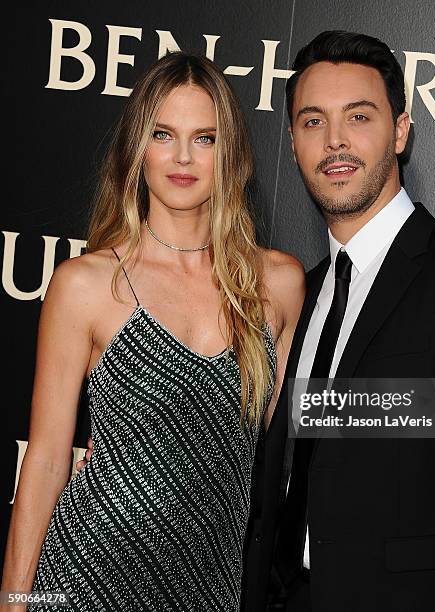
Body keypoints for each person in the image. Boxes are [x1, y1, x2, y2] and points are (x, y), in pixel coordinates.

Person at [241, 31, 435, 612]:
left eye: (358, 116)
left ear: (400, 131)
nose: (335, 142)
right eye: (312, 121)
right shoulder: (306, 289)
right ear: (294, 142)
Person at [1, 51, 305, 612]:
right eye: (164, 134)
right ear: (138, 148)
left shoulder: (278, 285)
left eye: (205, 138)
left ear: (229, 153)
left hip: (208, 587)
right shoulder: (86, 284)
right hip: (84, 577)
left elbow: (277, 453)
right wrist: (15, 599)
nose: (183, 156)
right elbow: (45, 461)